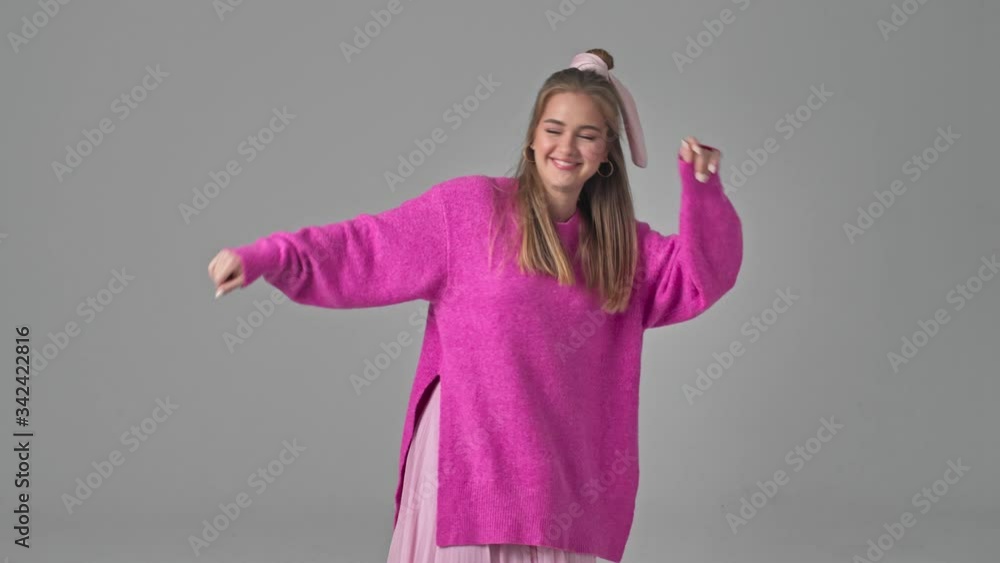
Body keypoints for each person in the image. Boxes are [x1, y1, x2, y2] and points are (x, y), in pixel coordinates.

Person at [207, 48, 742, 563]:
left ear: (606, 153)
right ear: (532, 138)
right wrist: (265, 257)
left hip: (556, 485)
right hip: (468, 466)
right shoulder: (467, 212)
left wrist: (702, 192)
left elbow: (702, 276)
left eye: (587, 135)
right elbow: (363, 249)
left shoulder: (623, 249)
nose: (567, 147)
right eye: (554, 129)